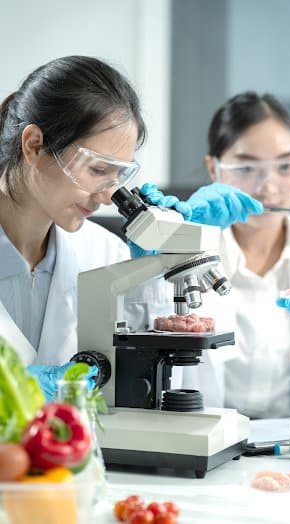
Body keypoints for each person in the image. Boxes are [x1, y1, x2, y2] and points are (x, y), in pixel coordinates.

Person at [0, 57, 262, 400]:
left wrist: (151, 274)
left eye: (118, 177)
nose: (109, 197)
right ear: (34, 145)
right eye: (96, 170)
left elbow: (180, 388)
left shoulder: (106, 255)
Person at [143, 91, 290, 418]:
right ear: (213, 169)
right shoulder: (182, 258)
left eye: (286, 166)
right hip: (210, 447)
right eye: (246, 168)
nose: (269, 187)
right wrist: (157, 256)